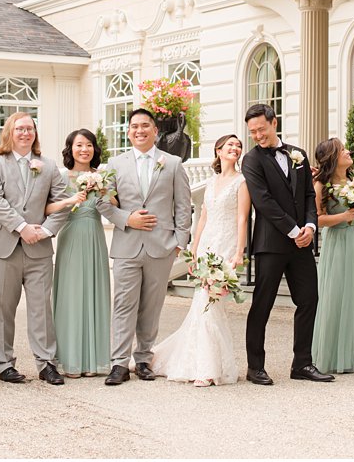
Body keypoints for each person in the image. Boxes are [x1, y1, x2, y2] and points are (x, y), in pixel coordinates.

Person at [239, 103, 333, 385]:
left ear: (274, 122)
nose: (257, 135)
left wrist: (310, 226)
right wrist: (294, 230)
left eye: (261, 129)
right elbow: (263, 202)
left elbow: (307, 196)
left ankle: (302, 363)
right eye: (252, 132)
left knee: (309, 300)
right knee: (262, 304)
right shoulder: (251, 160)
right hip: (271, 243)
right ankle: (255, 366)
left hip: (302, 242)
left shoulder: (299, 155)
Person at [99, 107, 193, 384]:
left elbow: (183, 205)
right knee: (123, 304)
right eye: (134, 127)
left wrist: (179, 242)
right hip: (127, 244)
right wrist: (126, 218)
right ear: (128, 132)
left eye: (145, 126)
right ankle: (119, 363)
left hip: (161, 246)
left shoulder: (173, 163)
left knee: (151, 306)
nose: (139, 130)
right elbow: (102, 202)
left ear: (155, 130)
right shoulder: (115, 164)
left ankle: (143, 359)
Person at [150, 134, 249, 386]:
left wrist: (239, 252)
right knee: (202, 304)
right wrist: (194, 248)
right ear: (218, 150)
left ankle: (208, 368)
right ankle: (202, 363)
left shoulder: (242, 182)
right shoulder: (212, 181)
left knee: (212, 302)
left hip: (226, 246)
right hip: (206, 245)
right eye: (230, 145)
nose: (235, 148)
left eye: (238, 145)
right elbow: (203, 217)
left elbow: (242, 219)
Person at [0, 112, 68, 385]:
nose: (25, 133)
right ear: (10, 132)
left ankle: (46, 363)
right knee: (2, 307)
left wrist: (46, 230)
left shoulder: (49, 166)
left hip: (38, 247)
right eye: (20, 129)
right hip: (1, 246)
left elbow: (62, 202)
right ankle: (5, 364)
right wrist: (21, 226)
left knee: (41, 307)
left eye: (30, 129)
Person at [310, 137, 354, 374]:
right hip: (339, 240)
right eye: (342, 150)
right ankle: (334, 354)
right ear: (332, 157)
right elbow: (316, 219)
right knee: (338, 294)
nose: (348, 151)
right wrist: (342, 217)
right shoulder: (321, 184)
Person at [49, 128, 113, 378]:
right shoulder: (62, 177)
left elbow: (113, 205)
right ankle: (71, 360)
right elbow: (48, 207)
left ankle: (94, 361)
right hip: (72, 234)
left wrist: (107, 194)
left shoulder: (103, 176)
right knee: (71, 295)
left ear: (94, 149)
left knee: (94, 293)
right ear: (70, 149)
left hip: (95, 236)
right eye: (79, 145)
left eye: (88, 145)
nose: (84, 149)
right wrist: (69, 200)